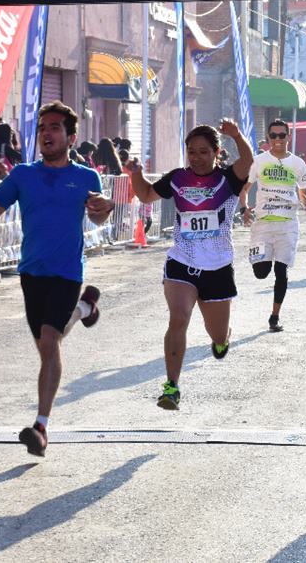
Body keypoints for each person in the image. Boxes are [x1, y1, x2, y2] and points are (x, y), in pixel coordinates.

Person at [0, 101, 114, 457]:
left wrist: (106, 207)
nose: (47, 133)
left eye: (54, 127)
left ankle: (41, 426)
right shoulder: (23, 175)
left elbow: (98, 219)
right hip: (31, 272)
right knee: (45, 344)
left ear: (71, 136)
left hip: (68, 271)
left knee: (50, 341)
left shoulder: (86, 177)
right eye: (42, 128)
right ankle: (85, 309)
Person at [126, 120, 253, 410]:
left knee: (217, 333)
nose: (196, 157)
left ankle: (222, 340)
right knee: (179, 318)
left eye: (203, 152)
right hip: (182, 261)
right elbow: (146, 194)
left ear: (216, 153)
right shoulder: (177, 179)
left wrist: (236, 135)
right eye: (191, 152)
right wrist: (135, 174)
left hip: (218, 267)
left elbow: (247, 160)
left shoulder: (228, 179)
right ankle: (172, 386)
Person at [240, 119, 306, 332]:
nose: (278, 140)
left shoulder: (298, 164)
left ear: (288, 137)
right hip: (262, 225)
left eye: (282, 135)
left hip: (288, 225)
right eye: (274, 136)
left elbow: (302, 190)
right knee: (261, 272)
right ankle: (264, 260)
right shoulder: (259, 161)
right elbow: (244, 189)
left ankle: (274, 316)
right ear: (268, 139)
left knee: (281, 272)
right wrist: (245, 208)